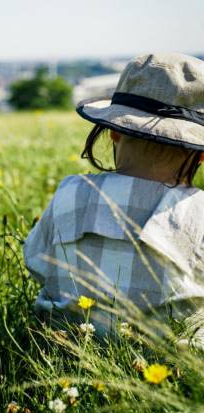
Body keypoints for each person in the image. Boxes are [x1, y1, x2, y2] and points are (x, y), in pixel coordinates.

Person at [24, 53, 204, 343]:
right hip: (169, 363)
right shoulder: (198, 212)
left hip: (64, 347)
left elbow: (36, 262)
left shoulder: (70, 193)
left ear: (114, 133)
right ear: (202, 155)